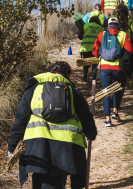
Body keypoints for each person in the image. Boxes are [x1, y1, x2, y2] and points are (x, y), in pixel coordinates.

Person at [8, 61, 97, 189]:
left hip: (38, 145)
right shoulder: (72, 91)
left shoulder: (34, 88)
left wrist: (12, 145)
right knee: (58, 180)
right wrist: (91, 133)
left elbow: (21, 118)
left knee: (40, 180)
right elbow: (85, 116)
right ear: (67, 75)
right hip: (67, 148)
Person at [92, 17, 133, 127]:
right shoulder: (123, 34)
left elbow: (95, 52)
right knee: (118, 89)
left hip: (104, 68)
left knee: (106, 92)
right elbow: (130, 50)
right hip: (118, 68)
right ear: (118, 24)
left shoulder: (102, 34)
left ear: (108, 24)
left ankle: (108, 119)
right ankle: (115, 111)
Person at [78, 16, 105, 82]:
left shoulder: (86, 26)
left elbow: (79, 37)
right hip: (96, 49)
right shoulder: (101, 28)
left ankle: (85, 76)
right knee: (94, 64)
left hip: (86, 48)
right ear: (98, 21)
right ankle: (93, 78)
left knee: (85, 63)